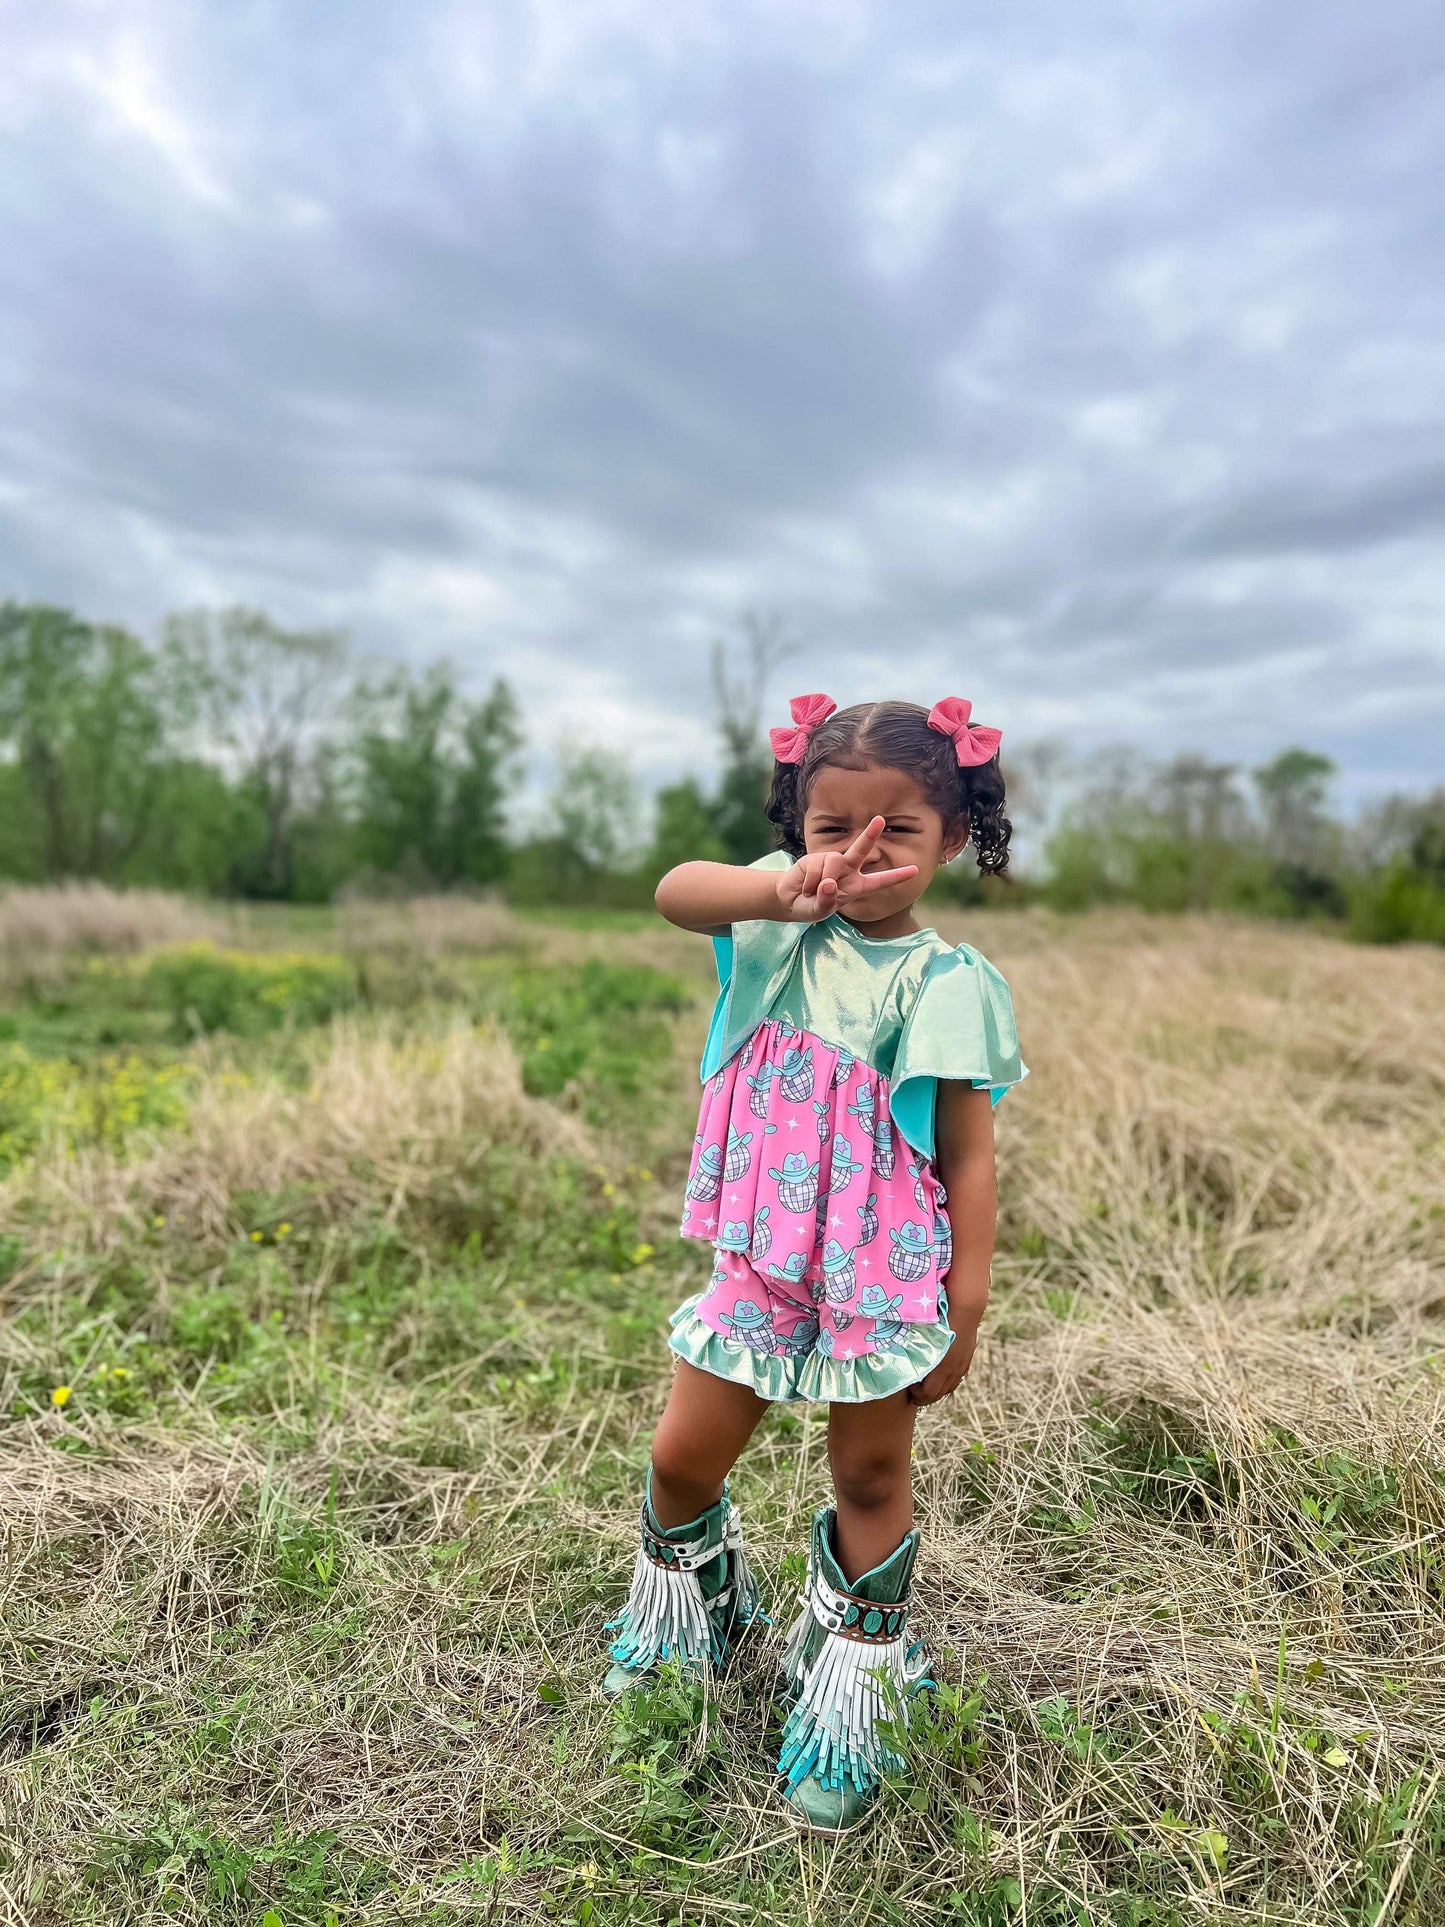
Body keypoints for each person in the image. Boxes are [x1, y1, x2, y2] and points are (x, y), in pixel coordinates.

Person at [603, 692, 1028, 1833]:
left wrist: (966, 1303)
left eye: (897, 827)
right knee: (681, 1455)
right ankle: (688, 1617)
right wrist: (775, 885)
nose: (862, 850)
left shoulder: (948, 982)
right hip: (759, 1256)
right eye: (833, 825)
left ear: (951, 837)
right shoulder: (773, 923)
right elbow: (672, 891)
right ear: (799, 828)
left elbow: (968, 1160)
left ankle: (852, 1698)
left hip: (879, 1270)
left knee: (867, 1482)